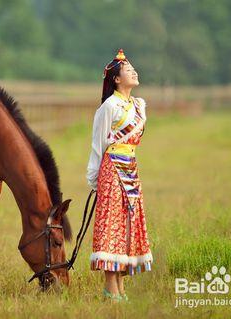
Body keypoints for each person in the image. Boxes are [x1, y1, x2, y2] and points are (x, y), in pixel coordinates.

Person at [86, 49, 153, 302]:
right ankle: (109, 287)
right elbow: (97, 145)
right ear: (116, 78)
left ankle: (120, 286)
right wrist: (94, 180)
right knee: (112, 225)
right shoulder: (109, 107)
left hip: (131, 168)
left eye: (133, 68)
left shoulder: (138, 105)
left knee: (128, 224)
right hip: (112, 168)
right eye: (128, 70)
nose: (134, 71)